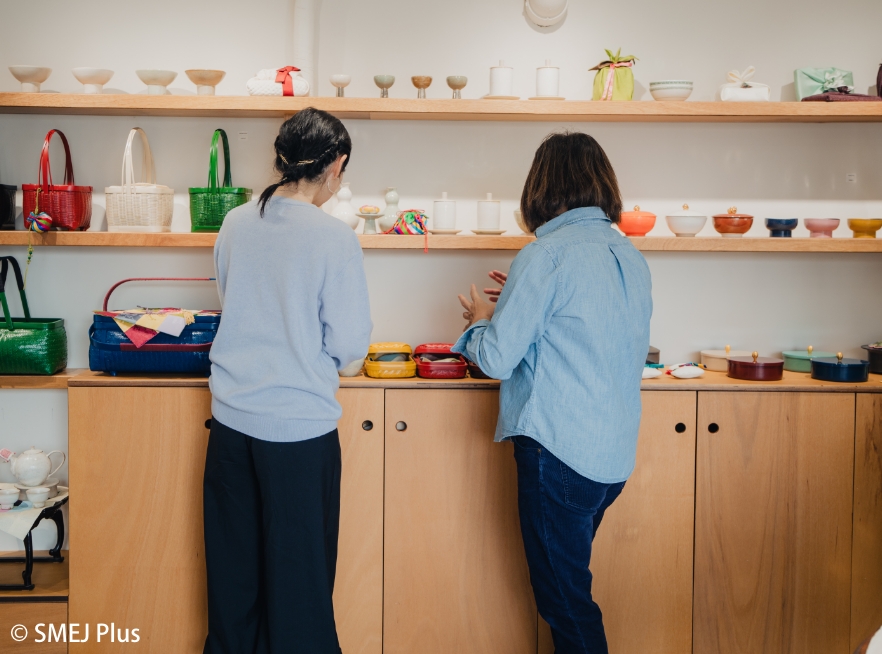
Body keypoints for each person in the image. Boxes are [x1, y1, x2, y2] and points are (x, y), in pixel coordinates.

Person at [453, 131, 652, 654]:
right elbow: (584, 327)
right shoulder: (628, 254)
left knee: (566, 604)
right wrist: (520, 303)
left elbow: (496, 358)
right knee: (570, 591)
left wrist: (481, 321)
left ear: (539, 189)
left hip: (558, 456)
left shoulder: (546, 256)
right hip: (611, 460)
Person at [203, 107, 372, 654]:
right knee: (300, 586)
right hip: (299, 435)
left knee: (234, 582)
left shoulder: (234, 221)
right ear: (336, 165)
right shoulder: (334, 238)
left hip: (231, 427)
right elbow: (349, 351)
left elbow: (233, 305)